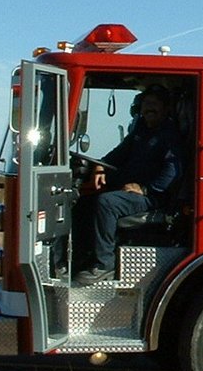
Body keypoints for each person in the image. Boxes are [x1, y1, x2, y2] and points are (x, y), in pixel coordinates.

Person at [71, 85, 182, 286]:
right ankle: (81, 259)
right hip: (131, 192)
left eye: (154, 105)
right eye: (146, 104)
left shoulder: (170, 135)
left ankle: (104, 265)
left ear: (166, 109)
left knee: (106, 203)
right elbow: (118, 153)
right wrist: (99, 167)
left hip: (153, 198)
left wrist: (145, 189)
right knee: (83, 203)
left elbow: (172, 172)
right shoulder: (141, 130)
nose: (149, 109)